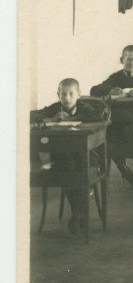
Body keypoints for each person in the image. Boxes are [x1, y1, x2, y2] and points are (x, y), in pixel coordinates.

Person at [30, 79, 106, 230]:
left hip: (87, 154)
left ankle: (77, 213)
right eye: (63, 94)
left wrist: (72, 119)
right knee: (67, 168)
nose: (67, 98)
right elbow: (33, 115)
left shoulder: (84, 107)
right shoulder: (55, 109)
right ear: (58, 95)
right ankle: (79, 212)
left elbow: (98, 117)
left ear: (79, 94)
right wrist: (50, 119)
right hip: (63, 157)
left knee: (78, 168)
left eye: (71, 94)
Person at [91, 45, 133, 188]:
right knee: (108, 136)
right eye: (128, 59)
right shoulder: (115, 77)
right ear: (122, 59)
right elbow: (95, 89)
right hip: (118, 121)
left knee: (132, 133)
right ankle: (125, 171)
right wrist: (111, 89)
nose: (132, 63)